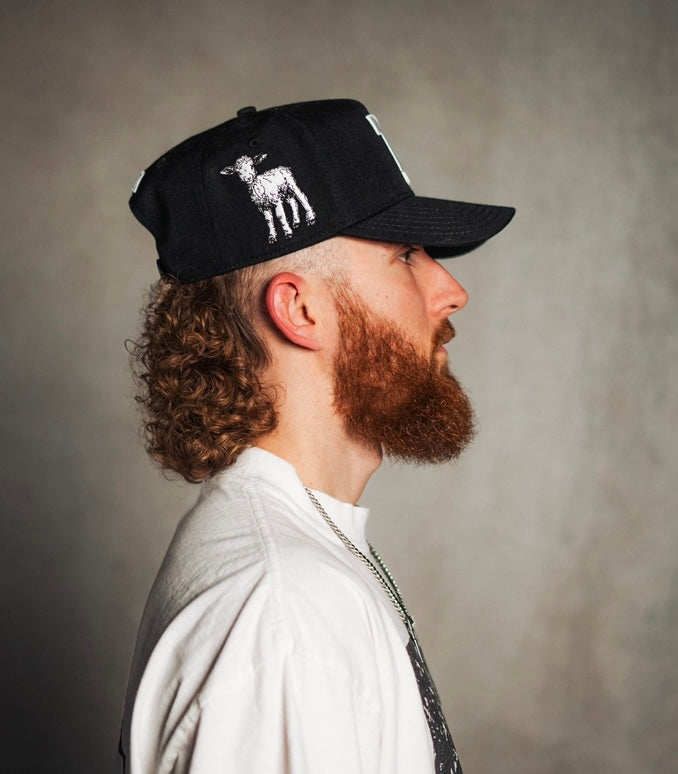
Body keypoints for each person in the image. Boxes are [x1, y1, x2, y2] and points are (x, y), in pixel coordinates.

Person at [119, 99, 514, 774]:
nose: (451, 291)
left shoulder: (293, 559)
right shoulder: (285, 614)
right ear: (300, 310)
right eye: (406, 255)